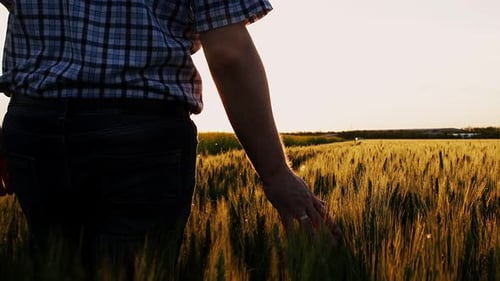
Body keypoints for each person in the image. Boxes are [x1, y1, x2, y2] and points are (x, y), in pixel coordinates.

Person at [0, 0, 341, 278]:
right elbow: (229, 51)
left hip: (33, 124)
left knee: (55, 265)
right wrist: (276, 174)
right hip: (139, 132)